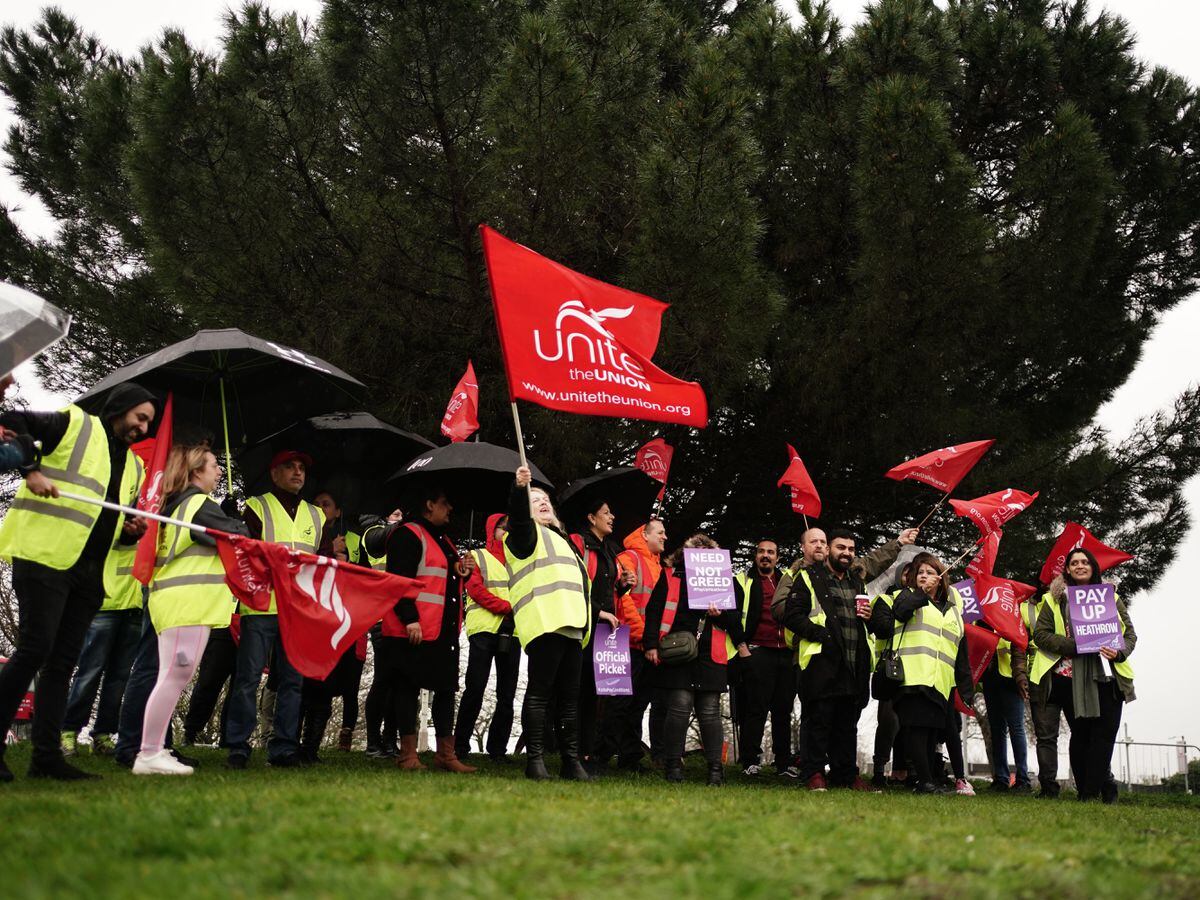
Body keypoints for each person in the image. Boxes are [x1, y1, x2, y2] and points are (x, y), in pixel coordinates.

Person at [0, 384, 154, 782]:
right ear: (119, 409)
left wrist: (130, 531)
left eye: (149, 422)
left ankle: (46, 758)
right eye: (140, 417)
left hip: (88, 572)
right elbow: (10, 421)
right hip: (43, 555)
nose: (143, 426)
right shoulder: (74, 423)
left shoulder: (134, 466)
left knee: (62, 663)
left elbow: (106, 521)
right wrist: (30, 470)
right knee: (34, 650)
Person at [133, 445, 249, 775]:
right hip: (187, 603)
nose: (219, 472)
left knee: (170, 676)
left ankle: (152, 751)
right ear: (197, 471)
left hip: (175, 603)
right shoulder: (197, 503)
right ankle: (150, 753)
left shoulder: (178, 503)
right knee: (174, 677)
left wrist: (225, 516)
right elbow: (239, 535)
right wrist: (232, 519)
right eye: (214, 466)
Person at [784, 526, 915, 791]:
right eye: (840, 548)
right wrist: (822, 634)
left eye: (851, 549)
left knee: (847, 723)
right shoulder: (808, 577)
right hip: (821, 662)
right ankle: (814, 773)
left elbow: (874, 565)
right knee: (818, 720)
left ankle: (846, 775)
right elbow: (792, 615)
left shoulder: (857, 580)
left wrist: (867, 617)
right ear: (828, 550)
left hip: (854, 663)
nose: (846, 553)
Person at [225, 450, 324, 769]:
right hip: (261, 607)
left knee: (292, 681)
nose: (298, 472)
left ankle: (283, 747)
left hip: (298, 610)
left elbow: (322, 564)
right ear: (274, 473)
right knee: (248, 679)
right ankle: (238, 746)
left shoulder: (317, 515)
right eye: (289, 467)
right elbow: (245, 555)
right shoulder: (256, 506)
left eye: (301, 468)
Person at [378, 482, 474, 774]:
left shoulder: (444, 539)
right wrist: (410, 619)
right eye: (445, 502)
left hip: (442, 630)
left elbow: (440, 580)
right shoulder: (407, 534)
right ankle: (407, 755)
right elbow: (398, 582)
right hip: (414, 628)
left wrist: (461, 571)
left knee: (445, 688)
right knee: (406, 689)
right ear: (429, 504)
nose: (451, 508)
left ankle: (446, 754)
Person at [505, 465, 592, 781]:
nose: (541, 502)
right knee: (540, 693)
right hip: (544, 622)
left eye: (545, 499)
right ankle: (535, 761)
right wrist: (519, 489)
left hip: (572, 626)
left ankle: (571, 762)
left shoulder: (564, 540)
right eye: (534, 499)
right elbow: (518, 519)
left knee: (570, 700)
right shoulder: (525, 535)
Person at [643, 534, 750, 785]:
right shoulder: (670, 575)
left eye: (707, 550)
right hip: (679, 651)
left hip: (711, 654)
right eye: (697, 550)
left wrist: (721, 614)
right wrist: (650, 644)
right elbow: (654, 610)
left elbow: (735, 622)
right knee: (679, 707)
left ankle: (715, 770)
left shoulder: (728, 582)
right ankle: (673, 766)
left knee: (710, 712)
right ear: (687, 554)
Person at [1031, 548, 1135, 803]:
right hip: (1068, 679)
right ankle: (1087, 794)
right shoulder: (1053, 599)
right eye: (1074, 562)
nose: (1080, 565)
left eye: (1085, 562)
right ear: (1067, 569)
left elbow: (1130, 635)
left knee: (1104, 736)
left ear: (1093, 567)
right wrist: (1074, 645)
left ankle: (1101, 788)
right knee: (1082, 736)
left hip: (1108, 676)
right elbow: (1040, 635)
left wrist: (1118, 653)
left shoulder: (1111, 596)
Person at [872, 553, 973, 794]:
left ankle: (927, 780)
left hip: (940, 680)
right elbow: (901, 611)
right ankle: (925, 781)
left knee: (930, 731)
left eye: (930, 572)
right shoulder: (902, 596)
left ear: (940, 578)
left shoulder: (952, 610)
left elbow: (960, 650)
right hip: (911, 676)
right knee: (916, 727)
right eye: (920, 573)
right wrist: (920, 593)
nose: (925, 576)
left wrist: (965, 687)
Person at [59, 538, 144, 756]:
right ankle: (68, 731)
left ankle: (102, 735)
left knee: (119, 677)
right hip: (106, 603)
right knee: (90, 671)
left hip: (135, 606)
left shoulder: (154, 511)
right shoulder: (117, 509)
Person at [569, 498, 630, 774]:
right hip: (584, 627)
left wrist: (623, 586)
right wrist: (599, 613)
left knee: (602, 694)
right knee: (581, 693)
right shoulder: (578, 543)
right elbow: (573, 586)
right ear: (591, 518)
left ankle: (591, 755)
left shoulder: (610, 550)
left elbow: (609, 589)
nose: (613, 516)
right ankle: (576, 754)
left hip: (608, 632)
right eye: (606, 512)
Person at [453, 514, 520, 760]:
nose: (508, 533)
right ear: (493, 530)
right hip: (483, 629)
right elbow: (475, 590)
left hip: (512, 632)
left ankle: (498, 750)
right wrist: (507, 607)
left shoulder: (518, 562)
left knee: (507, 694)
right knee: (475, 687)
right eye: (504, 529)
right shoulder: (478, 556)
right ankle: (460, 746)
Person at [736, 539, 796, 777]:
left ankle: (783, 764)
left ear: (777, 558)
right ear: (755, 556)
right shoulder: (744, 580)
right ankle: (750, 761)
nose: (766, 555)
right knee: (755, 710)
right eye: (761, 551)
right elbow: (732, 614)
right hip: (758, 650)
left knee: (783, 711)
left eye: (771, 552)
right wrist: (743, 648)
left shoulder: (786, 582)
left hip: (786, 653)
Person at [613, 519, 669, 769]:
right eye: (660, 532)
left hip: (647, 646)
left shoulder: (659, 567)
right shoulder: (628, 559)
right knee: (622, 704)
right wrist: (644, 637)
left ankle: (629, 757)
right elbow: (623, 601)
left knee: (637, 705)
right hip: (629, 644)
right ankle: (605, 755)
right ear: (644, 535)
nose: (665, 537)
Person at [869, 561, 913, 788]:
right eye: (905, 573)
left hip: (915, 669)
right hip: (890, 671)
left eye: (912, 573)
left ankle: (904, 773)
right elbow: (883, 628)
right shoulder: (885, 600)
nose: (909, 577)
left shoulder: (923, 604)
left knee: (910, 724)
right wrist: (904, 606)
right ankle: (879, 771)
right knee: (888, 723)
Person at [979, 623, 1031, 793]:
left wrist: (1020, 676)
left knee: (1016, 728)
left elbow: (1019, 645)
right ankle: (1001, 778)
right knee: (996, 729)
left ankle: (1023, 779)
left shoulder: (1008, 611)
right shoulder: (981, 618)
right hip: (990, 677)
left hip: (1010, 677)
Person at [181, 617, 238, 746]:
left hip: (250, 629)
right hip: (221, 627)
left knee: (239, 691)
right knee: (208, 683)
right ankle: (190, 732)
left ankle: (229, 738)